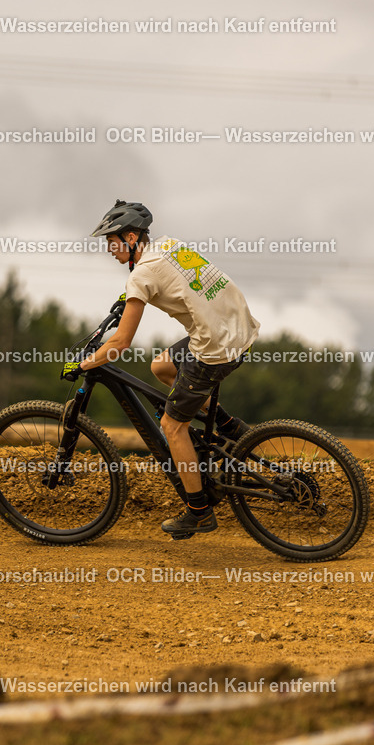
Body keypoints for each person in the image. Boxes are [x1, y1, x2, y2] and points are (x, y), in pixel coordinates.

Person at [77, 199, 260, 538]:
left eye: (111, 240)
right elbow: (172, 279)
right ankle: (228, 425)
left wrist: (85, 363)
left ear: (131, 238)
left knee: (172, 427)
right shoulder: (167, 246)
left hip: (213, 348)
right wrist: (130, 297)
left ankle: (198, 512)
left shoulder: (141, 274)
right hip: (237, 329)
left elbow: (119, 344)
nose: (108, 248)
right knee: (162, 366)